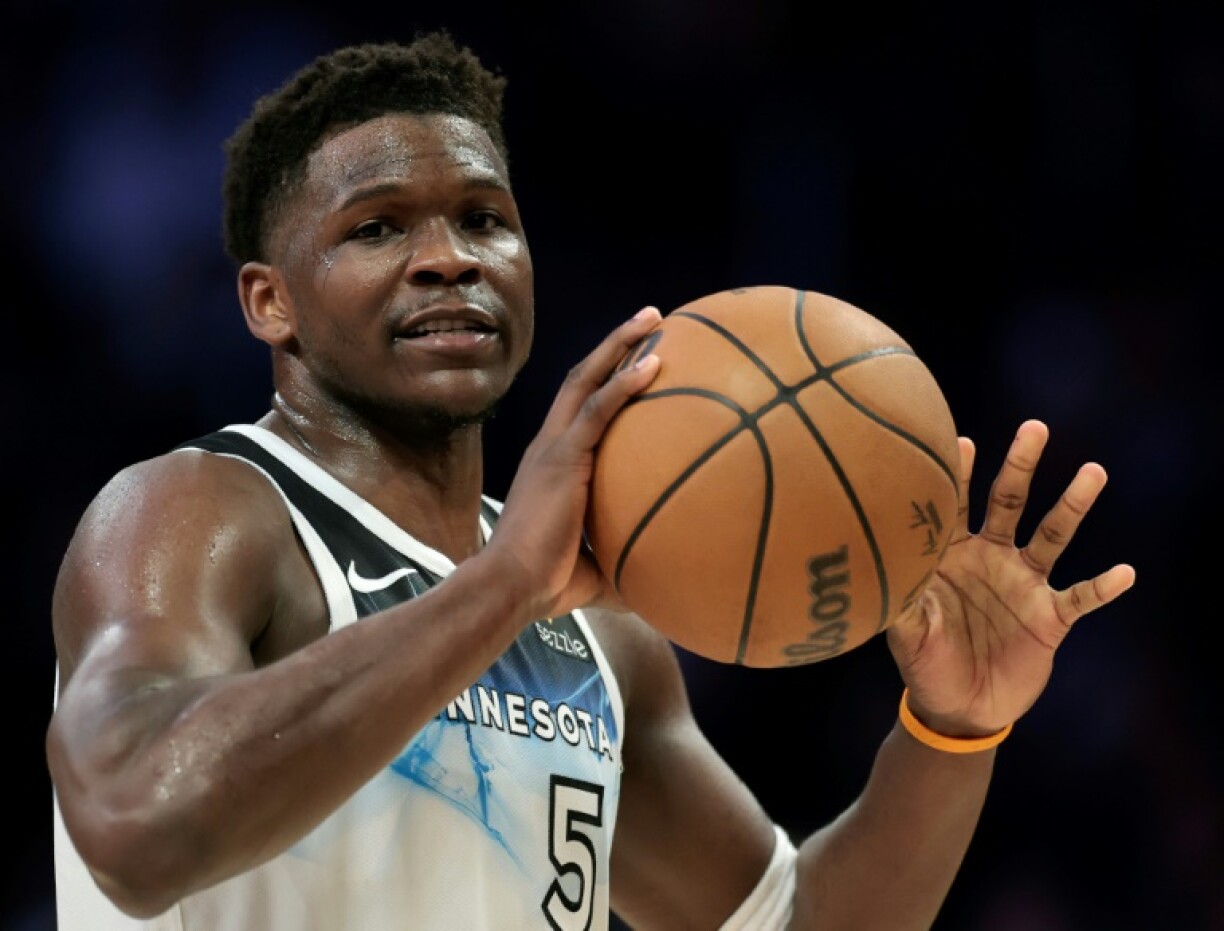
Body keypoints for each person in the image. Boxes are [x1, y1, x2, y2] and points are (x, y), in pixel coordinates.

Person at [46, 30, 1136, 931]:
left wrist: (949, 733)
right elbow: (135, 826)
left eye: (485, 220)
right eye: (377, 227)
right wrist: (503, 584)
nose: (450, 257)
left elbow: (793, 921)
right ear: (269, 302)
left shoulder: (602, 634)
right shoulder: (196, 512)